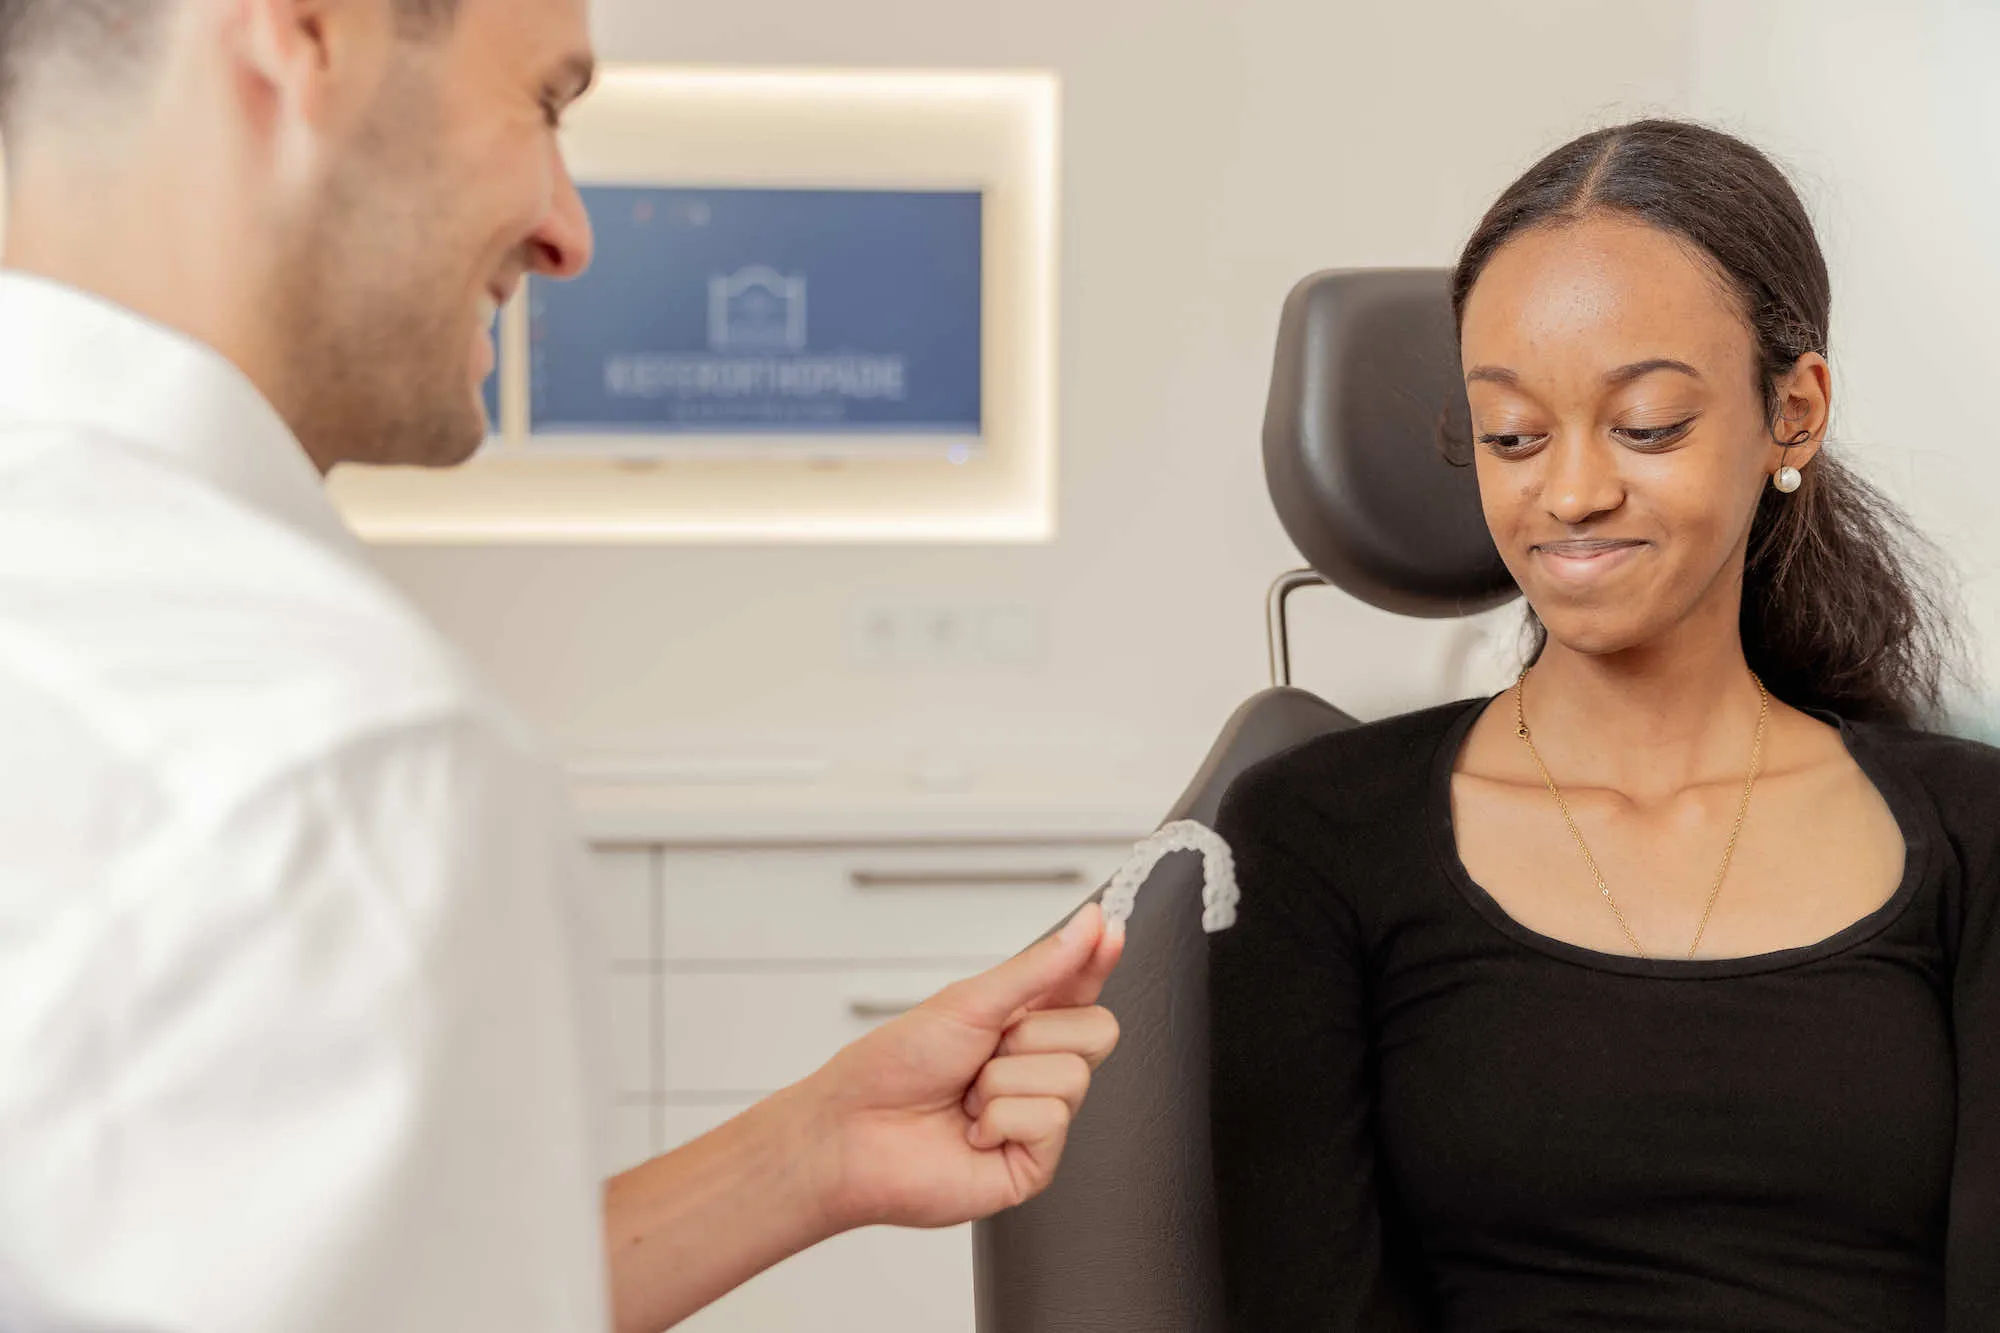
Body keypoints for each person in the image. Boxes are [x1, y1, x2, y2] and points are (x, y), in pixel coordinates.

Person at [0, 1, 1124, 1330]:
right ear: (308, 32)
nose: (570, 234)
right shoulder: (334, 763)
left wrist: (809, 1151)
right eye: (543, 102)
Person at [1209, 118, 2000, 1331]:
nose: (1570, 492)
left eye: (1646, 425)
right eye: (1511, 436)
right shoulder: (1314, 831)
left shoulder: (1972, 832)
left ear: (1792, 412)